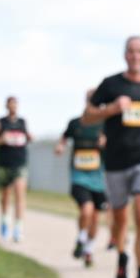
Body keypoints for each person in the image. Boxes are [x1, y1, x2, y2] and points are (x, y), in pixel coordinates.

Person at [84, 36, 140, 278]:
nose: (135, 56)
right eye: (131, 51)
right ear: (125, 55)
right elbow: (87, 116)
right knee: (120, 219)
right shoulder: (110, 84)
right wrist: (111, 108)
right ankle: (122, 257)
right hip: (117, 161)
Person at [56, 88, 109, 267]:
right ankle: (81, 238)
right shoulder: (75, 123)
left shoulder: (105, 125)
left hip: (98, 178)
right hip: (79, 176)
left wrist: (106, 143)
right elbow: (64, 137)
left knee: (95, 217)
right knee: (86, 209)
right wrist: (60, 146)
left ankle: (88, 250)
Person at [0, 97, 32, 242]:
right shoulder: (0, 122)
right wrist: (1, 140)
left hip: (20, 163)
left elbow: (27, 137)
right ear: (6, 106)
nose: (13, 107)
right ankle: (5, 221)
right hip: (5, 164)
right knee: (5, 195)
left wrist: (29, 137)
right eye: (11, 104)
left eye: (15, 104)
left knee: (20, 195)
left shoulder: (22, 122)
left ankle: (18, 228)